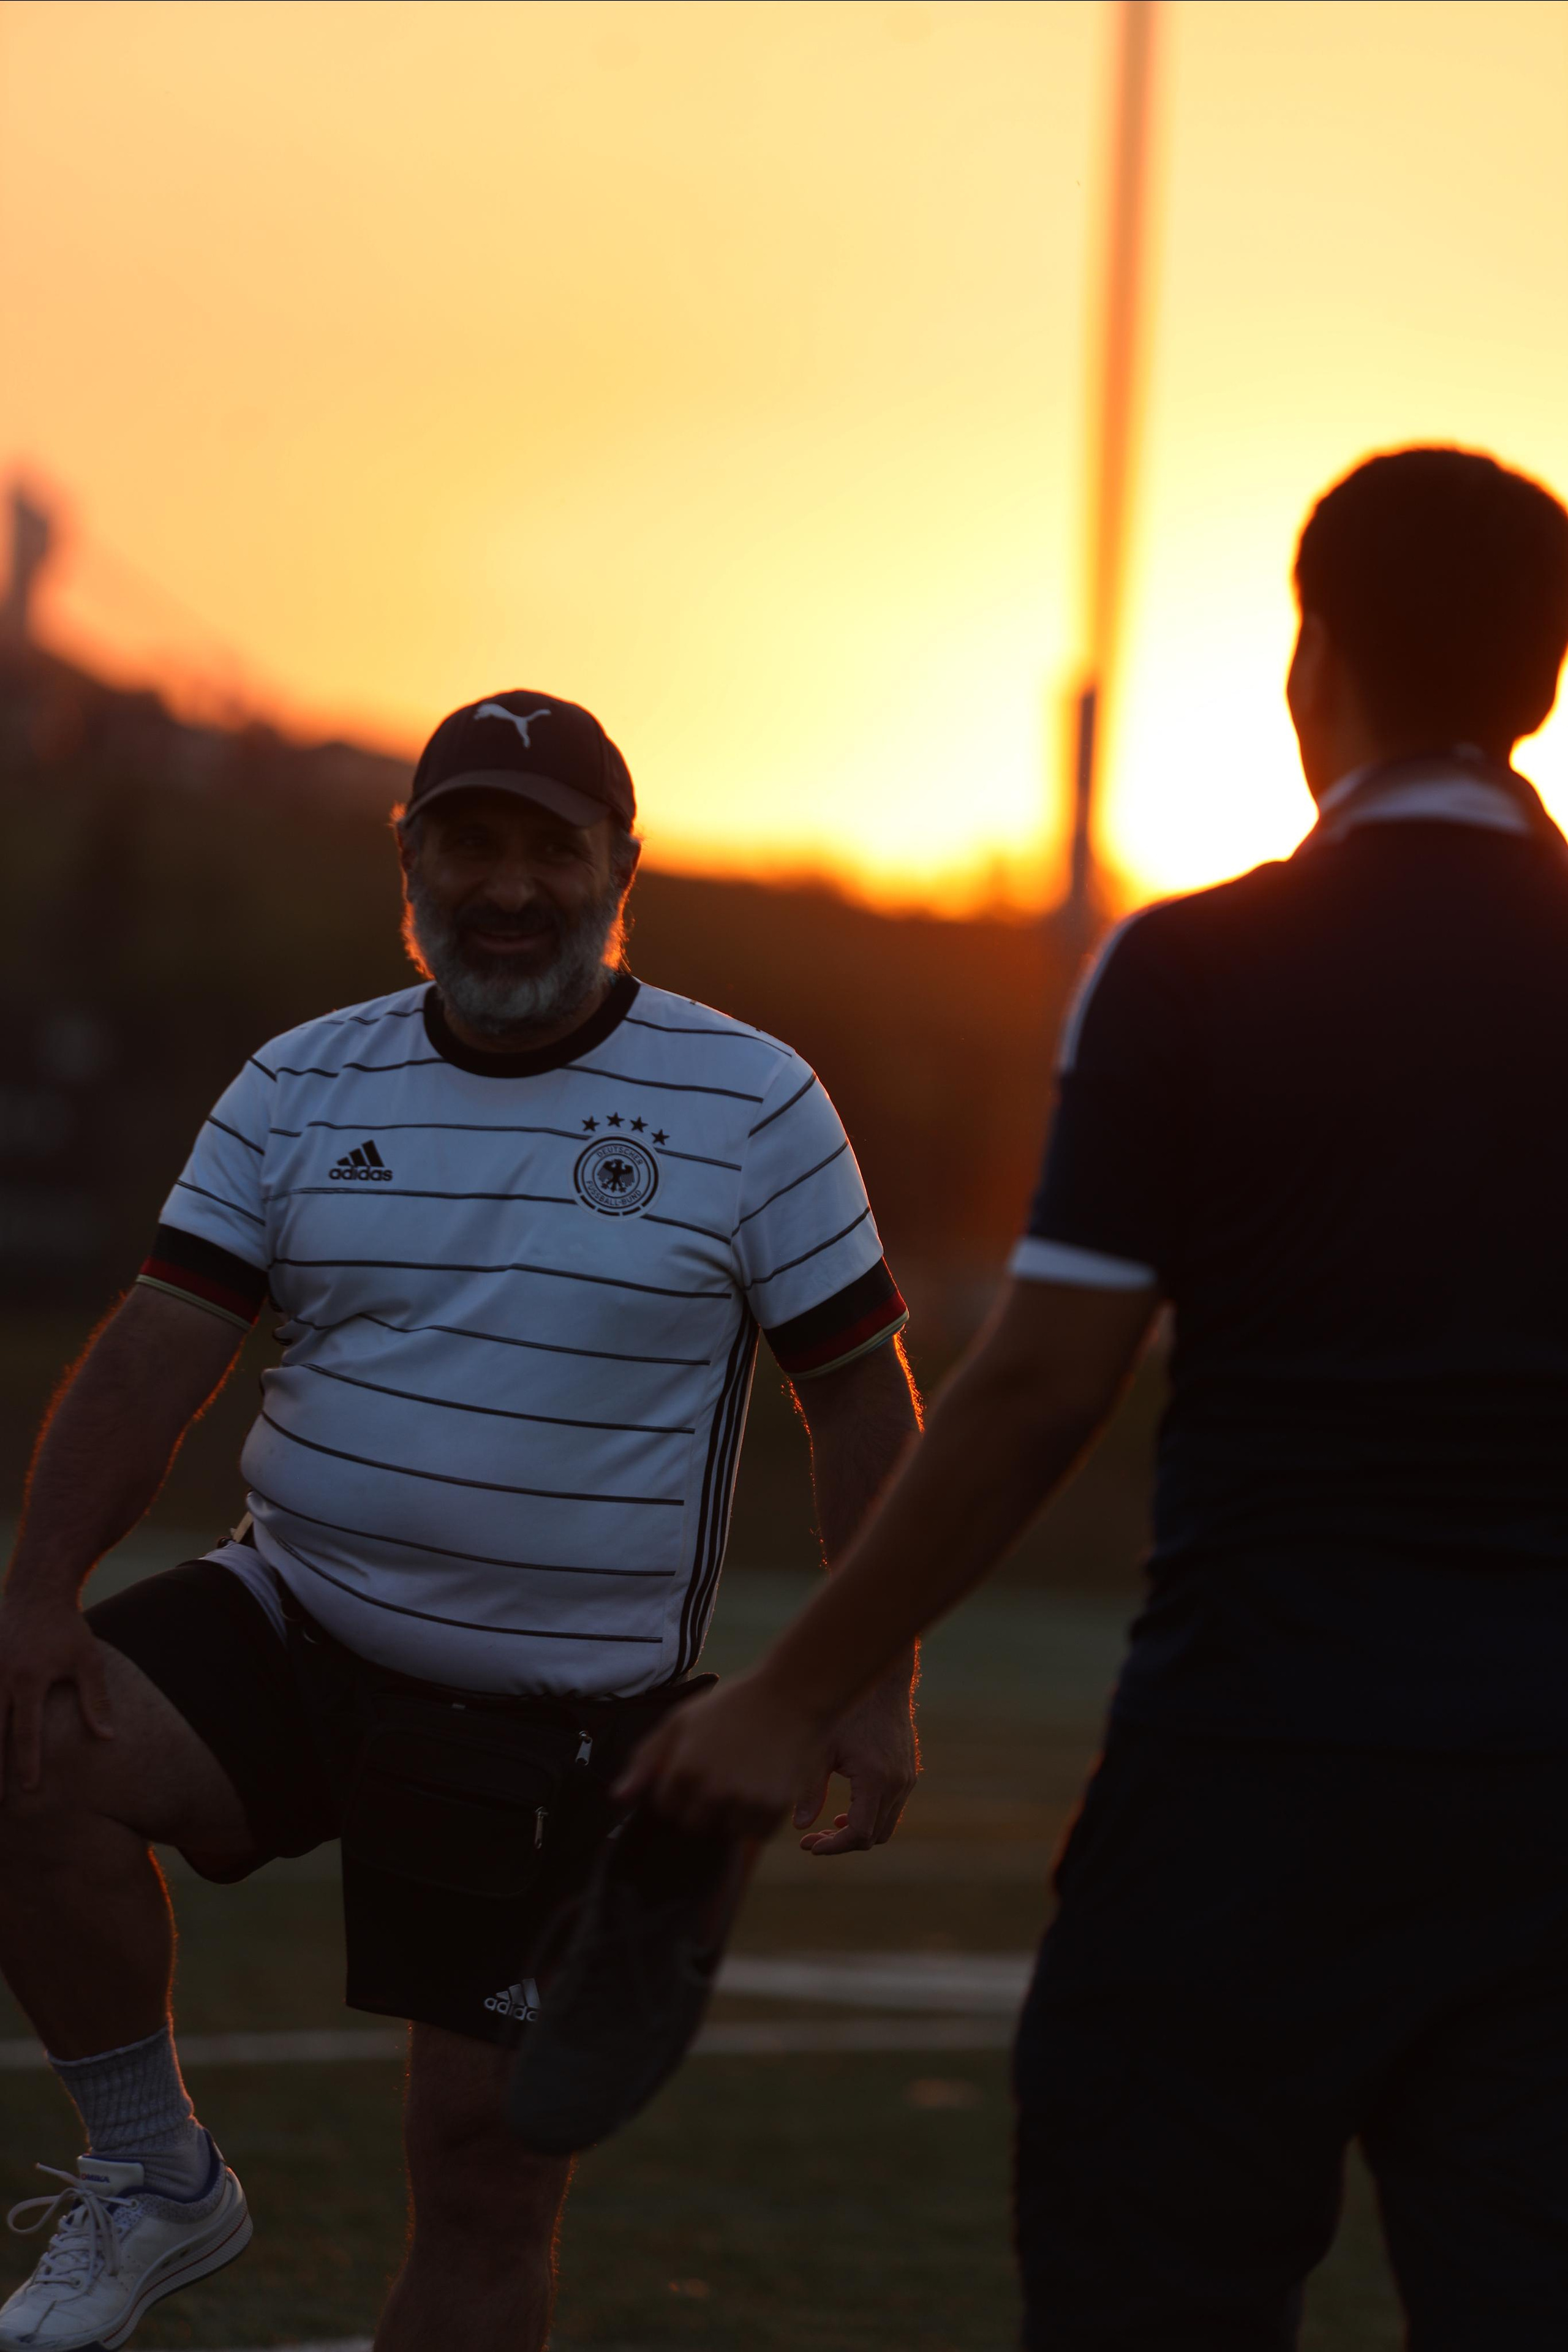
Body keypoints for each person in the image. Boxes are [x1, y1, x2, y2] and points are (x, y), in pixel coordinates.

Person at [623, 446, 1568, 2348]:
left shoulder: (1197, 967)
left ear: (1313, 667)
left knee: (1156, 2296)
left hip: (1255, 1776)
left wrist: (798, 1690)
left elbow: (1047, 1376)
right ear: (1543, 684)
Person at [0, 688, 921, 2352]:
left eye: (546, 849)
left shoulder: (754, 1103)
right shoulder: (297, 1080)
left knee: (483, 2173)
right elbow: (157, 1348)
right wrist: (38, 1589)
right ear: (407, 860)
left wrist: (873, 1673)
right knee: (21, 1745)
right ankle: (154, 2178)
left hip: (555, 1716)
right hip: (293, 1616)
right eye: (467, 843)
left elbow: (858, 1395)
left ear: (619, 867)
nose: (507, 885)